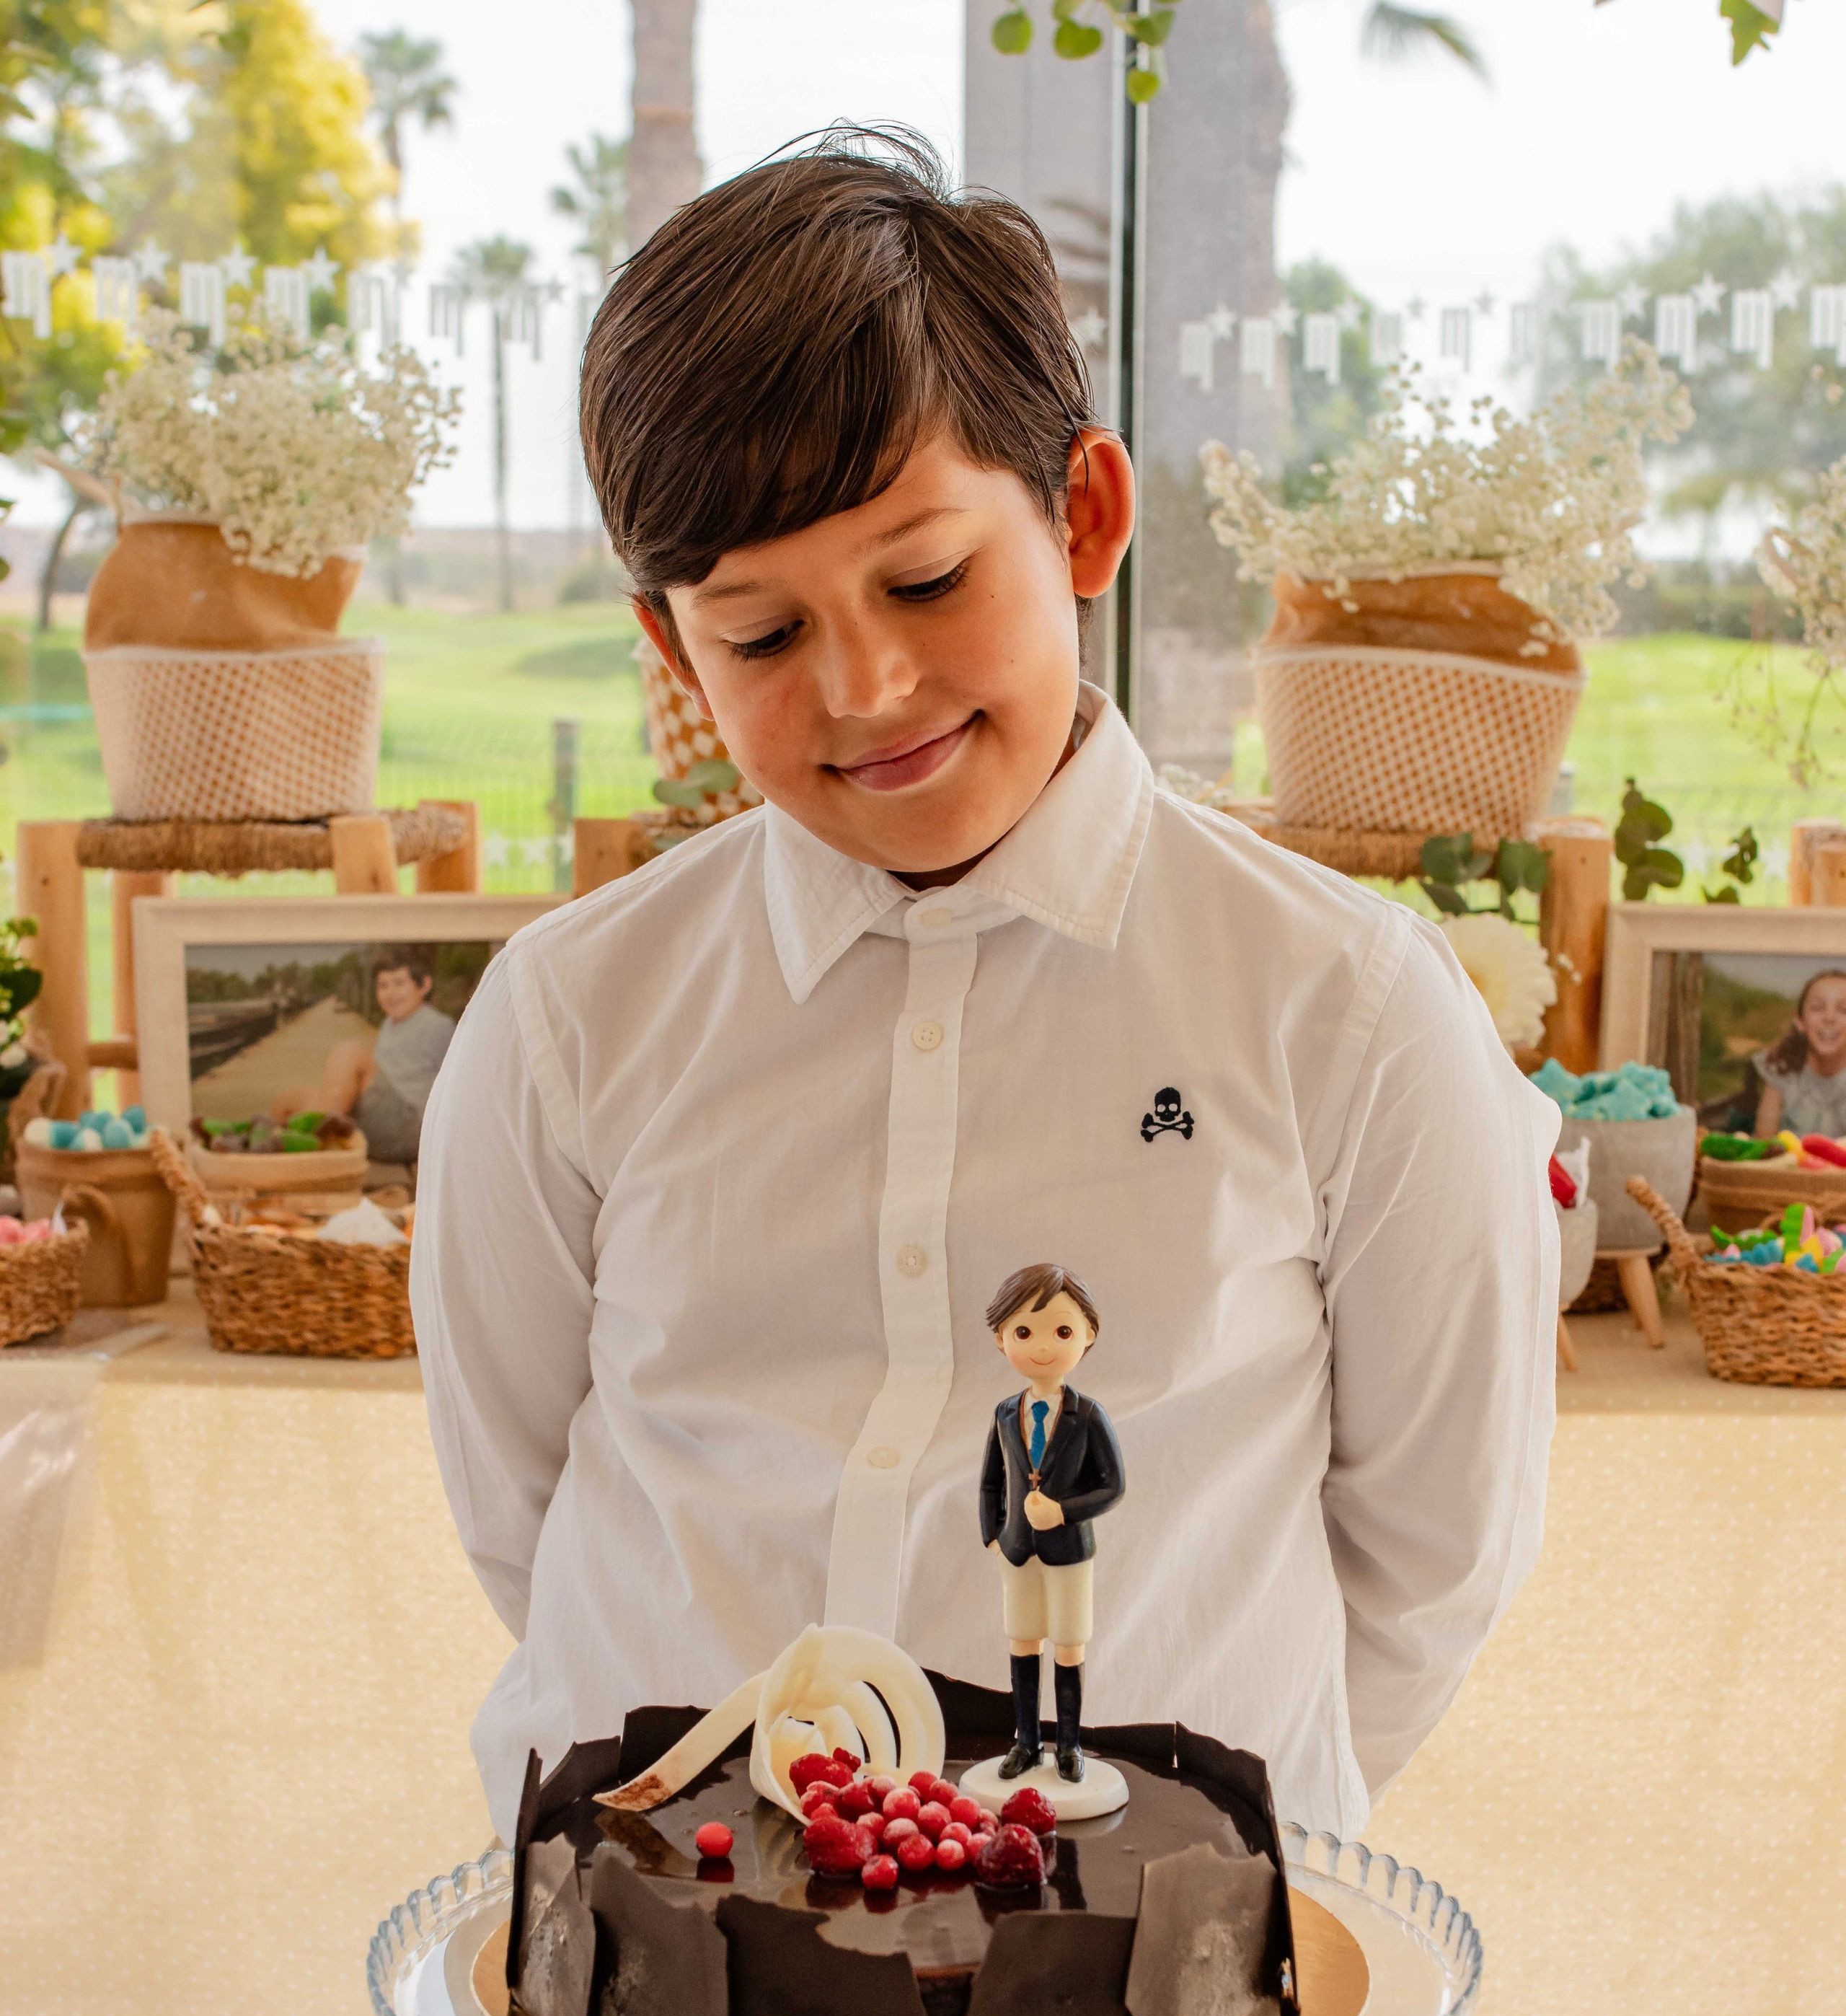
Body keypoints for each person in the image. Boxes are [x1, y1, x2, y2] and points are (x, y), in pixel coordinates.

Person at [412, 130, 1560, 1852]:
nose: (865, 684)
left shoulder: (1346, 1005)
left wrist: (1170, 1881)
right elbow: (519, 1503)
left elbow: (1431, 1552)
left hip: (1147, 2002)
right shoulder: (570, 1014)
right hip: (656, 1964)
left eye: (925, 579)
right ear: (670, 650)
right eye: (758, 633)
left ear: (1081, 514)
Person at [979, 1264, 1123, 1784]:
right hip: (1018, 1551)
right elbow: (991, 1482)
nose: (1042, 1346)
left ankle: (1068, 1745)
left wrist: (1063, 1511)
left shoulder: (1088, 1416)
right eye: (1024, 1332)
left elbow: (1114, 1486)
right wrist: (993, 1535)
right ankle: (1025, 1742)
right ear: (1002, 1339)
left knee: (1068, 1644)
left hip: (1069, 1552)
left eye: (1062, 1331)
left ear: (1088, 1335)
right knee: (1022, 1641)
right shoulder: (1003, 1413)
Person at [277, 946, 454, 1166]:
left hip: (412, 1125)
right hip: (381, 1119)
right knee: (290, 1100)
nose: (390, 993)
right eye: (383, 986)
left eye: (399, 984)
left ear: (424, 985)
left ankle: (320, 1160)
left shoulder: (439, 1026)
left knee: (350, 1053)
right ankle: (276, 1165)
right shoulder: (390, 1025)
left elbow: (463, 1089)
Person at [1752, 967, 1846, 1141]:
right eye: (1817, 1008)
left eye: (1843, 1010)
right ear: (1800, 1021)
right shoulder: (1782, 1071)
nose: (1829, 1017)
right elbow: (1763, 1144)